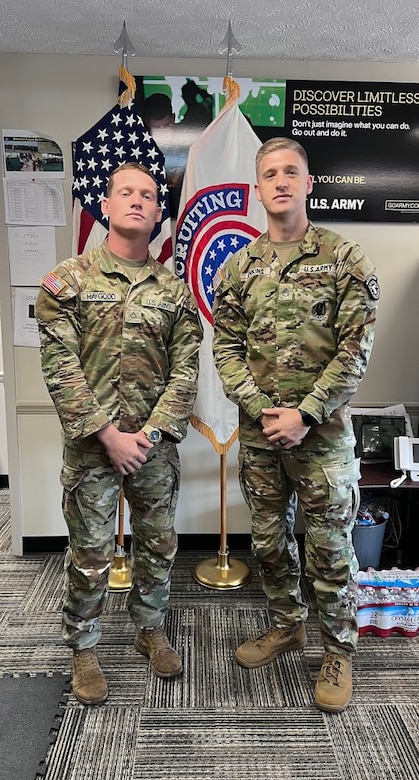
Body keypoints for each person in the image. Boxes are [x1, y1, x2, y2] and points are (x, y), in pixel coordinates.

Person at [212, 137, 380, 713]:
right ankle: (288, 624)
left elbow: (356, 350)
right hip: (261, 438)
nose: (280, 181)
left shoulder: (344, 258)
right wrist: (263, 410)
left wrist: (306, 413)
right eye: (269, 174)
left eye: (291, 172)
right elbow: (225, 349)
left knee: (330, 549)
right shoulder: (239, 268)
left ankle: (338, 648)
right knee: (269, 542)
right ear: (258, 190)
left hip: (324, 439)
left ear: (309, 184)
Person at [35, 162, 202, 705]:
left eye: (148, 195)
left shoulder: (174, 292)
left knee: (157, 546)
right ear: (104, 206)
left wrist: (149, 434)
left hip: (153, 449)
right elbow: (60, 364)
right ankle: (83, 646)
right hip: (91, 447)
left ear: (158, 215)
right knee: (90, 551)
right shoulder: (68, 281)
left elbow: (186, 369)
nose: (136, 200)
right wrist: (108, 434)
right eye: (124, 192)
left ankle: (150, 628)